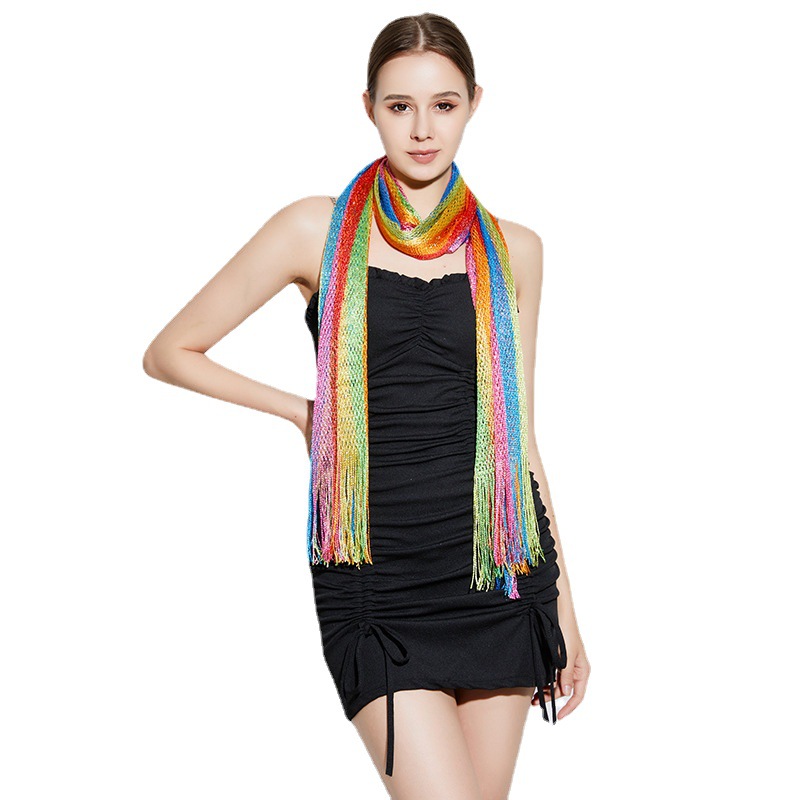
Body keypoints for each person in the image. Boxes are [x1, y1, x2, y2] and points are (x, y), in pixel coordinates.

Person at [144, 12, 590, 800]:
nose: (422, 129)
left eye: (444, 105)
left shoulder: (514, 249)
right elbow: (171, 351)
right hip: (374, 575)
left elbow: (517, 437)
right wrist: (303, 412)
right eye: (399, 106)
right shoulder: (312, 229)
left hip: (499, 573)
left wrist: (567, 613)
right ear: (369, 108)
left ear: (474, 103)